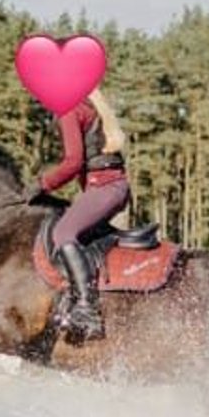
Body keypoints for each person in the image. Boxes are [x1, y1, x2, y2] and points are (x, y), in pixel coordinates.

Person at [24, 87, 130, 342]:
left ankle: (87, 308)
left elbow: (73, 162)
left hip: (104, 187)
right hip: (107, 186)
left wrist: (42, 184)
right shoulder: (85, 104)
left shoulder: (69, 109)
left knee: (63, 233)